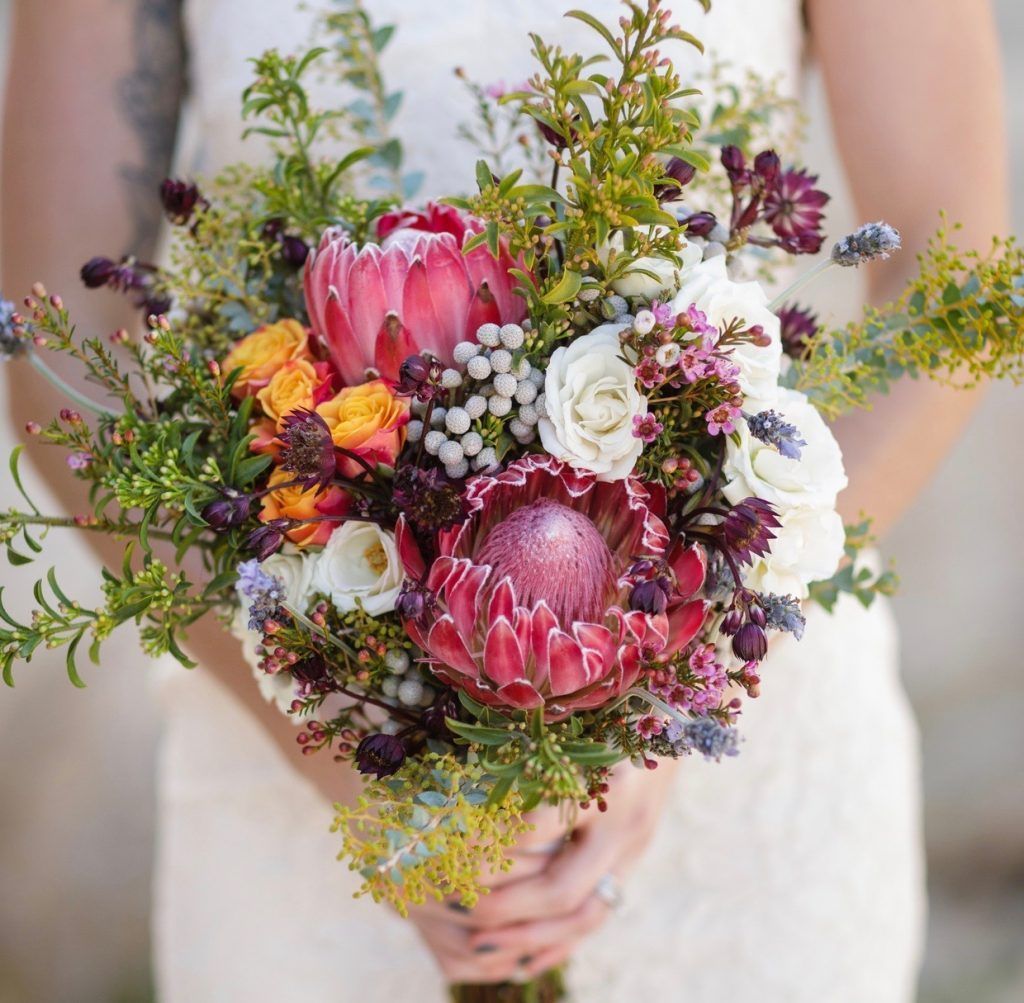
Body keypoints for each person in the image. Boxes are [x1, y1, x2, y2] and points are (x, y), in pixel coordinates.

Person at [1, 0, 1008, 999]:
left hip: (741, 741)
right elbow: (59, 338)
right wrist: (334, 738)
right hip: (301, 760)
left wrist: (663, 695)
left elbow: (949, 276)